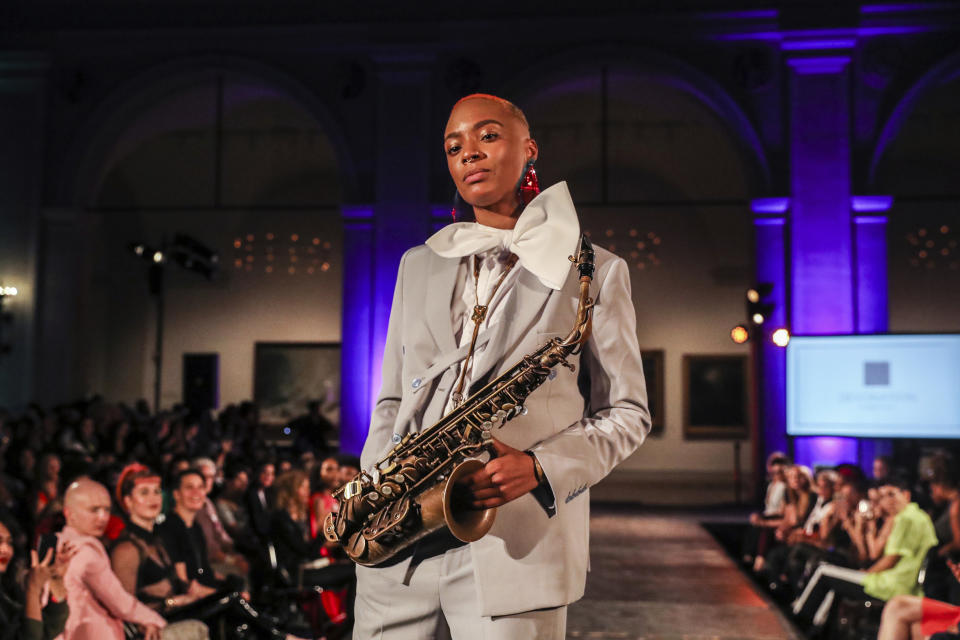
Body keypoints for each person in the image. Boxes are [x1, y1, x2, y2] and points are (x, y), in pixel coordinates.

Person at [352, 94, 650, 639]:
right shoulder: (417, 265)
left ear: (529, 149)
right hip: (399, 541)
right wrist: (377, 489)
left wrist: (541, 468)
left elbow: (628, 413)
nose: (469, 153)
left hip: (514, 541)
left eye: (487, 136)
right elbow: (392, 398)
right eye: (453, 146)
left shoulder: (596, 271)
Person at [791, 475, 938, 631]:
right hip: (894, 581)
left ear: (906, 495)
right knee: (829, 574)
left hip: (892, 585)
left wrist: (867, 573)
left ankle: (796, 623)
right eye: (884, 496)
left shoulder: (907, 518)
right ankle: (817, 629)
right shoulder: (915, 517)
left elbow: (890, 560)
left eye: (892, 494)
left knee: (824, 572)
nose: (887, 501)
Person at [57, 477, 169, 640]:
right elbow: (120, 603)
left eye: (106, 510)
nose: (102, 517)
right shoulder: (86, 551)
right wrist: (155, 621)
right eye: (94, 510)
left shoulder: (53, 543)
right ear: (69, 513)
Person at [0, 513, 74, 640]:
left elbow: (47, 629)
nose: (5, 549)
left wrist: (56, 579)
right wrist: (32, 590)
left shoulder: (8, 591)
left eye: (9, 543)